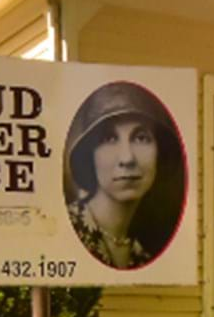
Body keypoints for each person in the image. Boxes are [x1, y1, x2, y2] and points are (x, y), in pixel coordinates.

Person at [64, 82, 181, 271]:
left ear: (159, 152)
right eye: (109, 138)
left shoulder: (141, 256)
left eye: (141, 138)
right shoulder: (66, 232)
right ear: (90, 155)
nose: (127, 158)